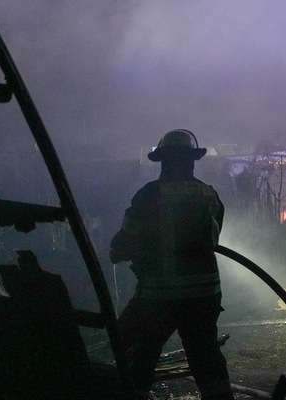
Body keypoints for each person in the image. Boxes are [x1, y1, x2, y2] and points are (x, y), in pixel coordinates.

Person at [109, 129, 234, 400]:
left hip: (159, 296)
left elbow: (125, 242)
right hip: (204, 294)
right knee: (206, 356)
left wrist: (117, 250)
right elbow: (212, 238)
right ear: (192, 160)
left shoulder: (149, 195)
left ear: (163, 161)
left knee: (135, 349)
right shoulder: (209, 195)